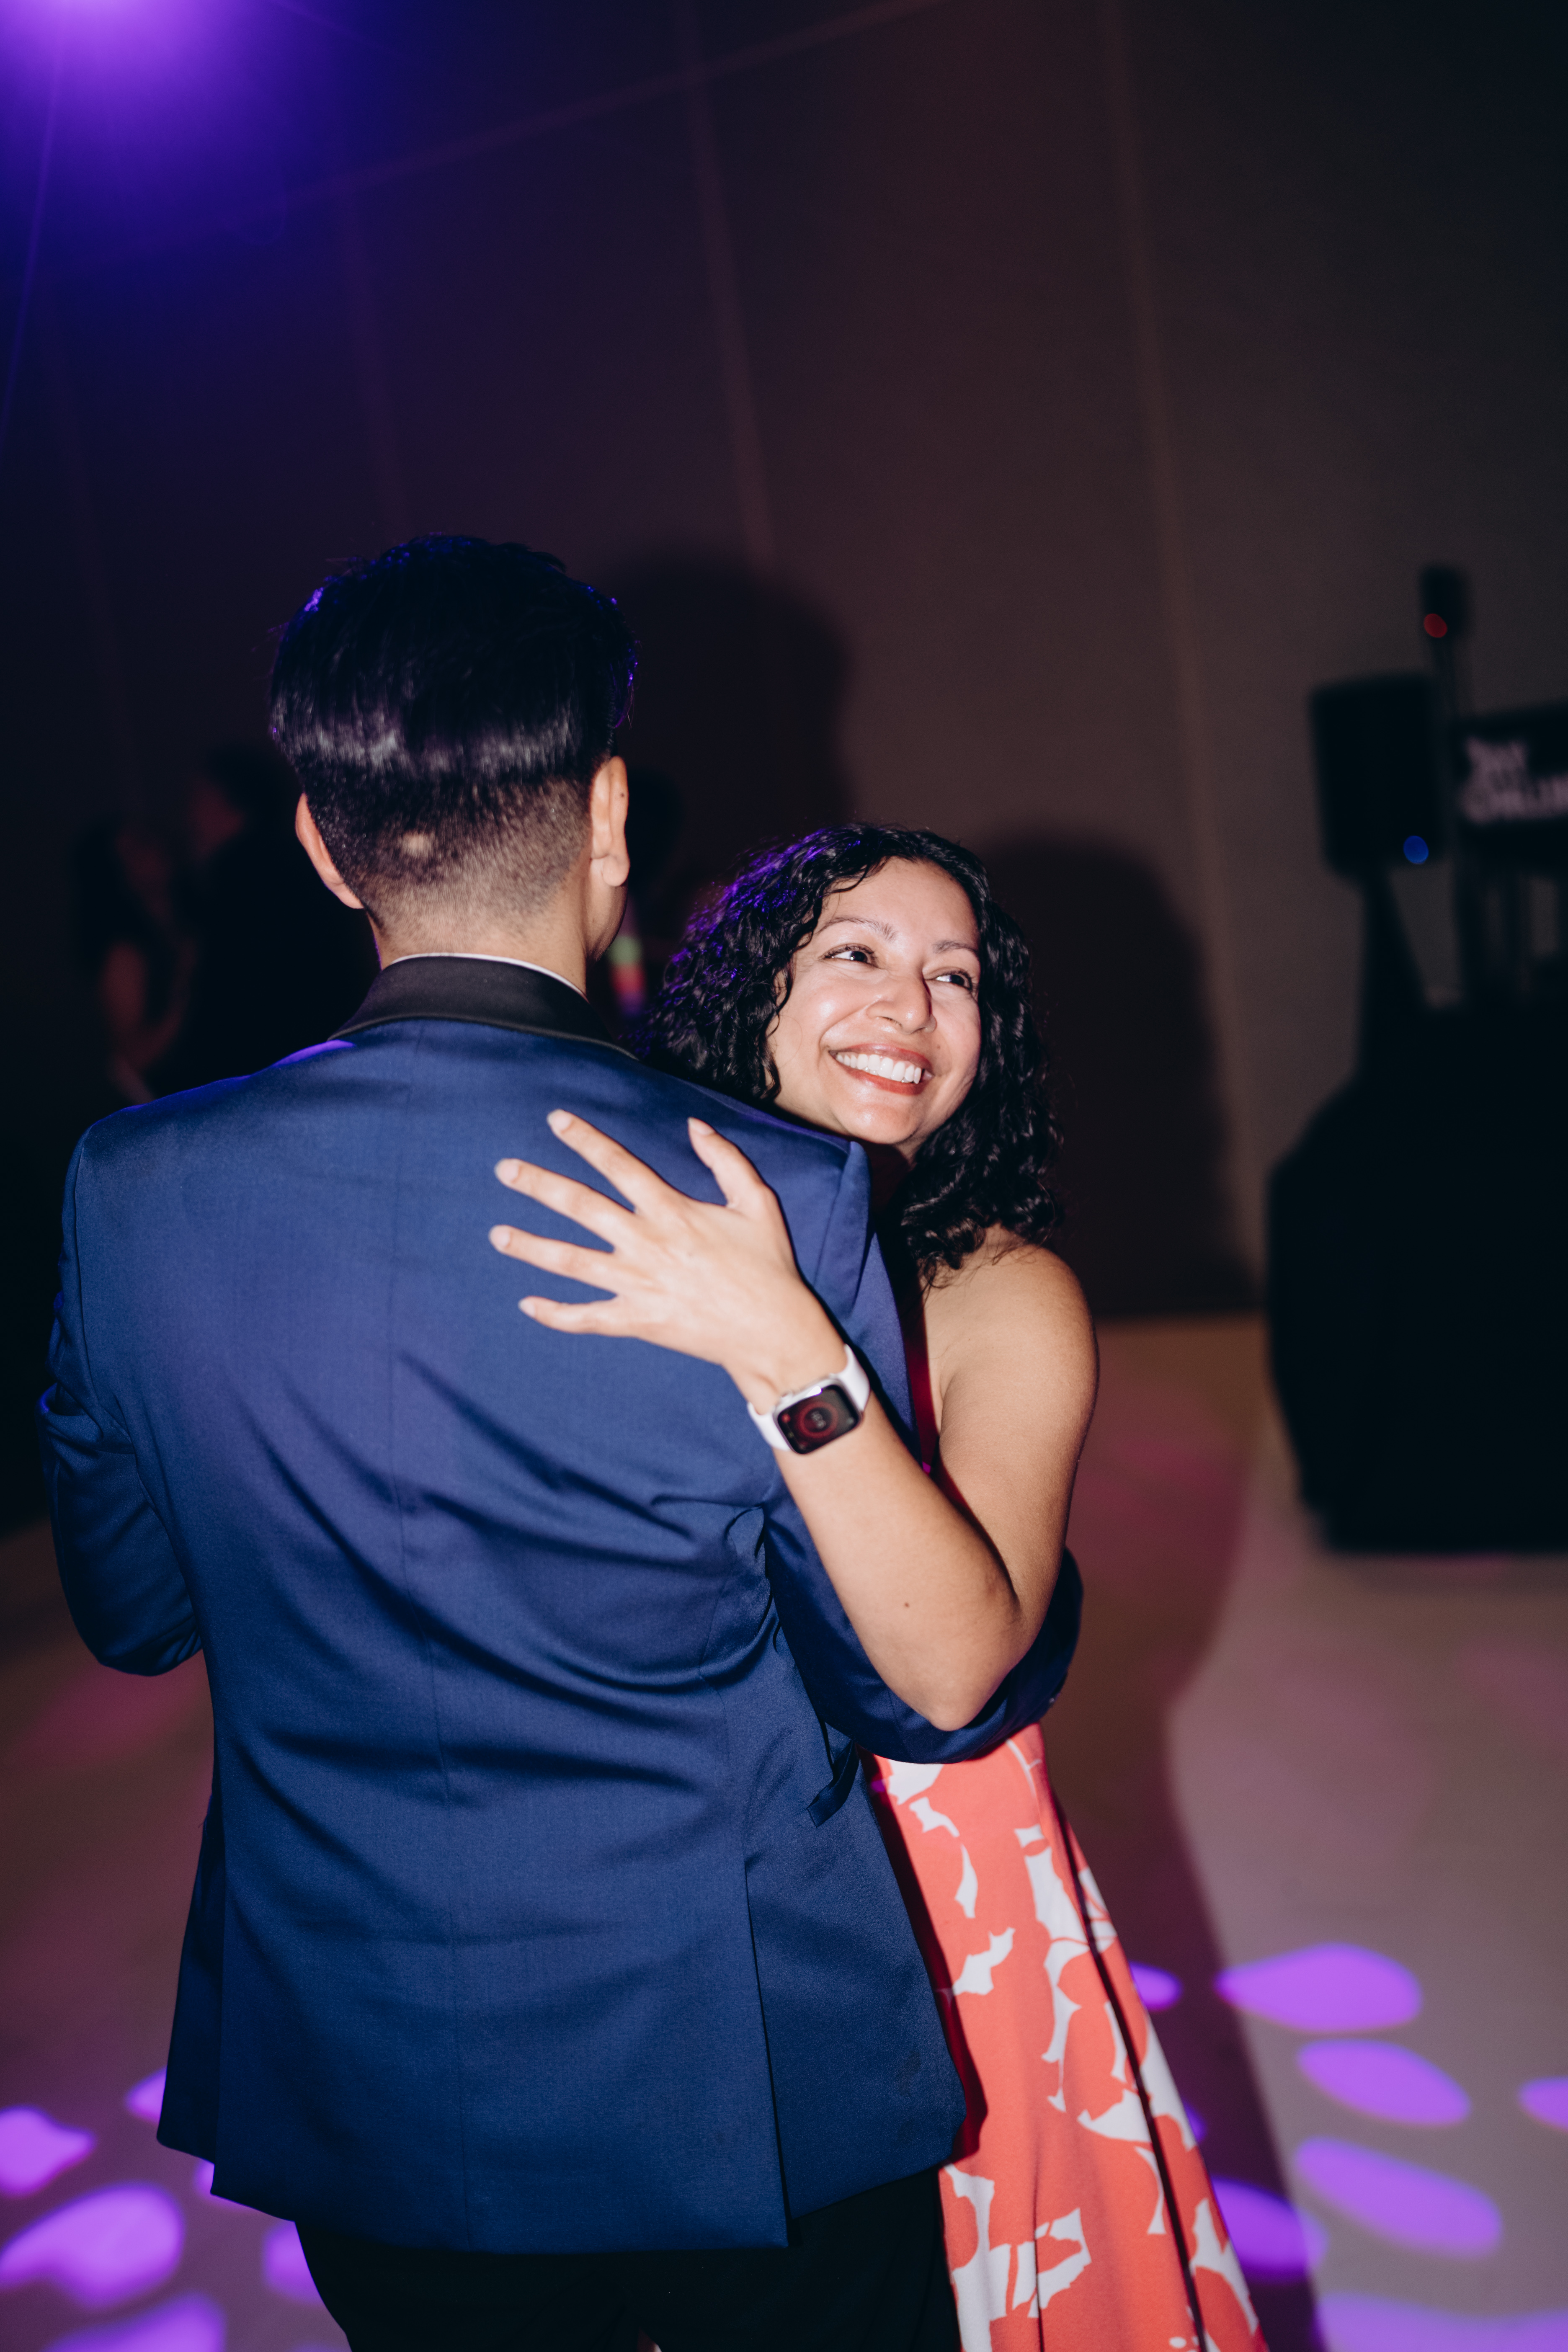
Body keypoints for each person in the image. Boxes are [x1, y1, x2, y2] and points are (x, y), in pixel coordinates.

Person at [39, 537, 1080, 2352]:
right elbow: (903, 1686)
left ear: (322, 843)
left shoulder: (132, 1189)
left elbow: (131, 1611)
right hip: (741, 2063)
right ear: (607, 818)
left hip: (363, 2070)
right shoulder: (770, 1191)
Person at [487, 825, 1265, 2352]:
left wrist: (786, 1345)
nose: (911, 1006)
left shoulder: (1000, 1289)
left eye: (955, 977)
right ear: (752, 990)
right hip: (665, 1861)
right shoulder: (638, 1236)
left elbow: (958, 1664)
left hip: (928, 1875)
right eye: (856, 952)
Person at [148, 740, 375, 1091]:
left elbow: (232, 1001)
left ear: (230, 803)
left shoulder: (234, 884)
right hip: (323, 1055)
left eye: (197, 800)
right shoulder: (290, 866)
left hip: (268, 1075)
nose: (187, 815)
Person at [71, 815, 193, 1102]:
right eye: (138, 849)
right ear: (118, 875)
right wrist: (188, 992)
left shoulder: (188, 924)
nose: (156, 848)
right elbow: (131, 1058)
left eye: (149, 838)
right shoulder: (124, 954)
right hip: (173, 1104)